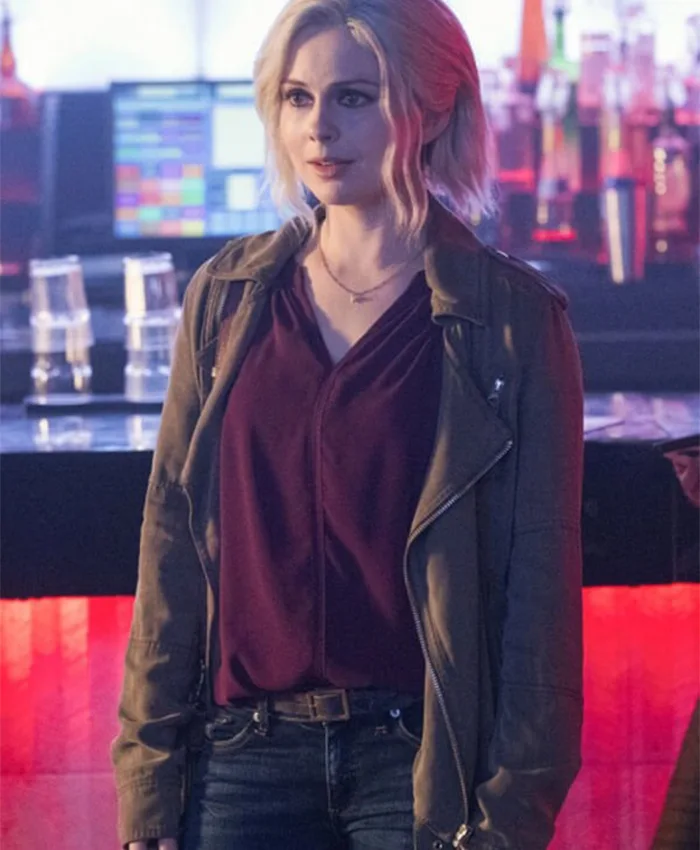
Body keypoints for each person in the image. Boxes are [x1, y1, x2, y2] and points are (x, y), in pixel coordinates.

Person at [112, 1, 585, 848]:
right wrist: (147, 775)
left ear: (433, 108)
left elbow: (540, 592)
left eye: (355, 98)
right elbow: (171, 547)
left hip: (421, 764)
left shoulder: (511, 317)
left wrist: (515, 809)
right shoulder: (227, 298)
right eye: (298, 97)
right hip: (239, 758)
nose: (319, 128)